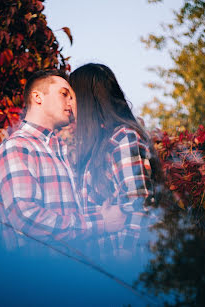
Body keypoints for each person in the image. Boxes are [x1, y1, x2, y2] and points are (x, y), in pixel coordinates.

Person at [0, 70, 125, 247]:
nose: (72, 102)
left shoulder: (60, 152)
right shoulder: (18, 147)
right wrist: (101, 223)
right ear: (38, 97)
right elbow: (27, 218)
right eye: (64, 94)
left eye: (72, 96)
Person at [69, 63, 162, 257]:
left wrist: (124, 261)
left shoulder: (123, 138)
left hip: (120, 267)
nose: (69, 104)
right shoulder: (97, 146)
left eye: (71, 96)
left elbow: (138, 207)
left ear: (86, 98)